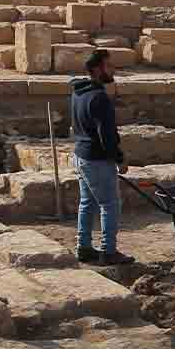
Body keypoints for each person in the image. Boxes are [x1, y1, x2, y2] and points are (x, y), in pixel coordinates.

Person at [71, 49, 133, 265]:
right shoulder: (100, 98)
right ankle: (108, 251)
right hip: (96, 160)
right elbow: (106, 136)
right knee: (110, 204)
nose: (113, 69)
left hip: (80, 156)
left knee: (87, 203)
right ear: (97, 69)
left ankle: (84, 247)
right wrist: (119, 158)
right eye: (109, 65)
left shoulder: (78, 92)